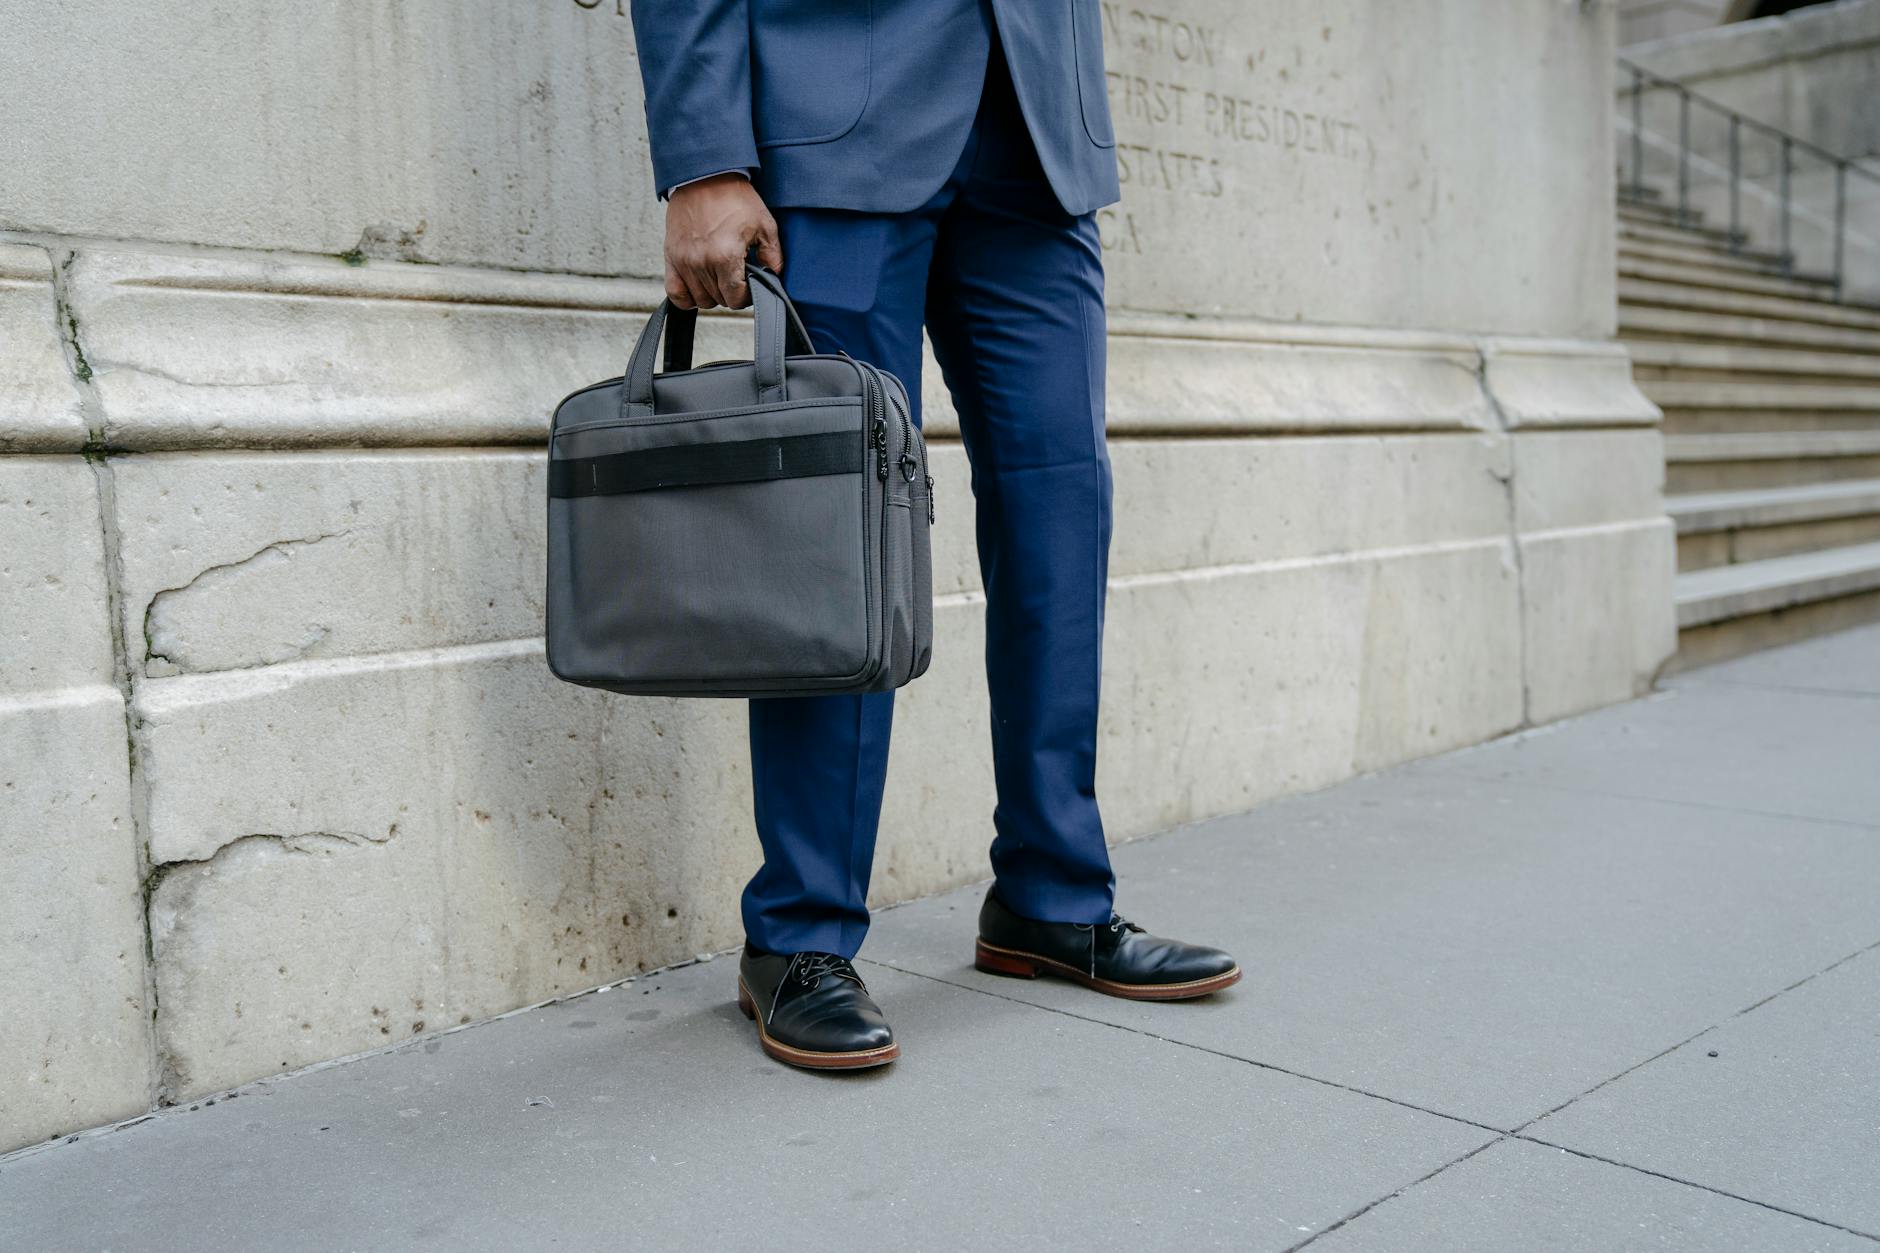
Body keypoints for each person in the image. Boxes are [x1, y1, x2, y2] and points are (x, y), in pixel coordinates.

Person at [630, 0, 1241, 1071]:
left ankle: (1050, 896)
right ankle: (799, 933)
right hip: (834, 133)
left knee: (1062, 510)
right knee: (836, 544)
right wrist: (703, 160)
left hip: (1037, 141)